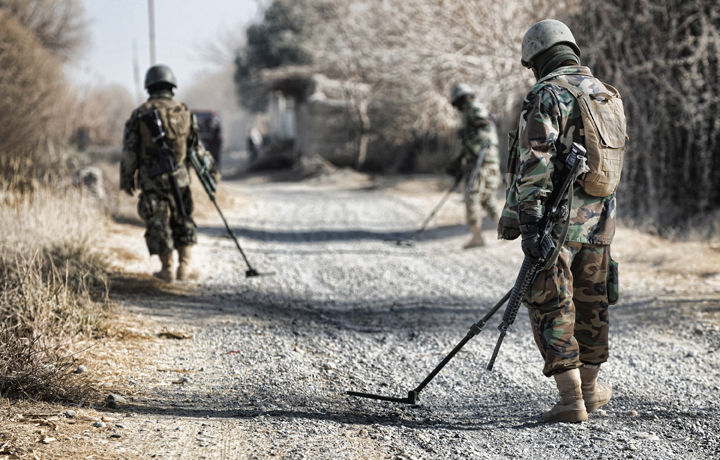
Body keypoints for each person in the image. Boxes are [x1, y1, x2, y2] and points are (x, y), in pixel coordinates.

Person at [498, 19, 626, 422]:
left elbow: (534, 163)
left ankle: (571, 399)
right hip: (601, 223)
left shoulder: (546, 94)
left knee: (551, 302)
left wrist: (530, 224)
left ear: (536, 57)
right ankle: (589, 389)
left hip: (557, 224)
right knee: (593, 304)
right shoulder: (609, 95)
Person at [120, 65, 219, 283]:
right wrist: (211, 173)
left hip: (152, 178)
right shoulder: (184, 111)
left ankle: (167, 269)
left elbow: (130, 151)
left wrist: (127, 179)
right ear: (172, 85)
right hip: (180, 177)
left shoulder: (140, 113)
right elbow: (195, 146)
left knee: (158, 220)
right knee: (182, 215)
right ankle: (185, 267)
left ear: (149, 87)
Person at [448, 84, 502, 249]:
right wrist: (460, 160)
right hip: (484, 162)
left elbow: (484, 133)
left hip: (482, 163)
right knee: (486, 199)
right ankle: (505, 231)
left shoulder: (474, 108)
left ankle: (477, 237)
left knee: (472, 198)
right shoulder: (471, 110)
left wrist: (473, 151)